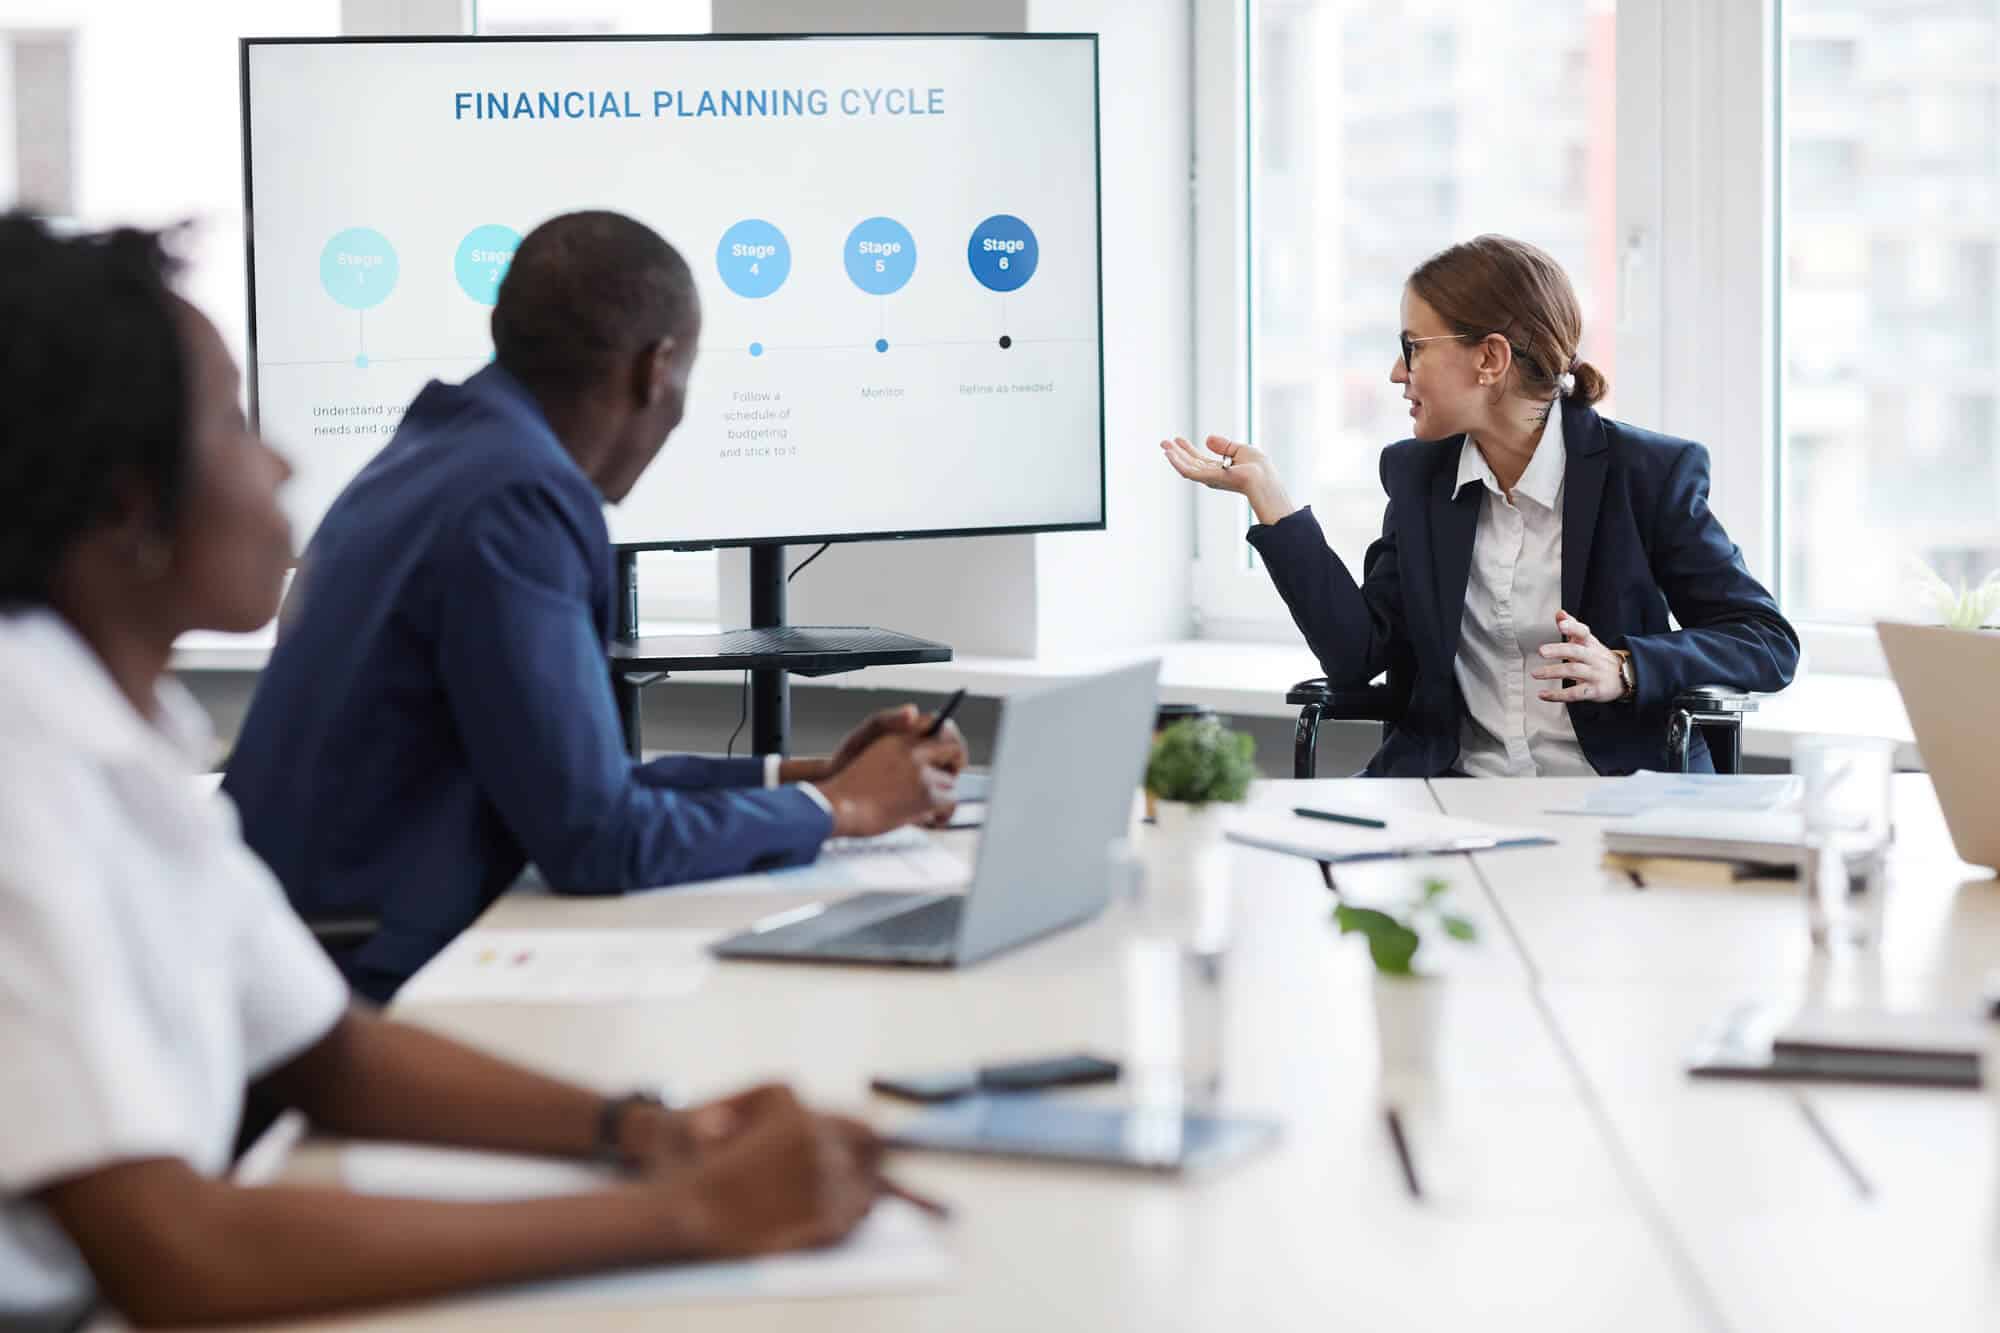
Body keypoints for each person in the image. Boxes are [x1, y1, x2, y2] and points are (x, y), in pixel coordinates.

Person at [0, 214, 913, 1330]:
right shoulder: (25, 764)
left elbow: (332, 1058)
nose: (281, 462)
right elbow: (175, 1252)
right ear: (129, 502)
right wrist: (689, 1212)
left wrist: (656, 1132)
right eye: (235, 425)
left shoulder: (116, 727)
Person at [225, 211, 965, 1001]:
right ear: (658, 368)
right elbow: (597, 841)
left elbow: (579, 785)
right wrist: (842, 807)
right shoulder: (519, 497)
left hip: (297, 947)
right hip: (353, 982)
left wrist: (809, 776)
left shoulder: (445, 451)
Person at [1162, 234, 1798, 777]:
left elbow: (1767, 642)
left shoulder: (1646, 475)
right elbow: (1358, 656)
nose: (1395, 372)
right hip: (1453, 800)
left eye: (1413, 346)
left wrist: (1628, 667)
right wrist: (1270, 500)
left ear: (1489, 358)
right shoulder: (1418, 477)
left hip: (1614, 800)